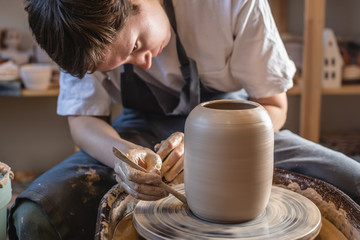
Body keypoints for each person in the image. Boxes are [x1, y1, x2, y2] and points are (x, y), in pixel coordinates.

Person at [8, 0, 360, 239]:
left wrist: (209, 145)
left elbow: (273, 106)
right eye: (122, 65)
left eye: (134, 47)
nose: (144, 63)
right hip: (140, 131)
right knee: (34, 217)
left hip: (240, 127)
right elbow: (83, 122)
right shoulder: (76, 28)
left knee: (354, 184)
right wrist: (125, 157)